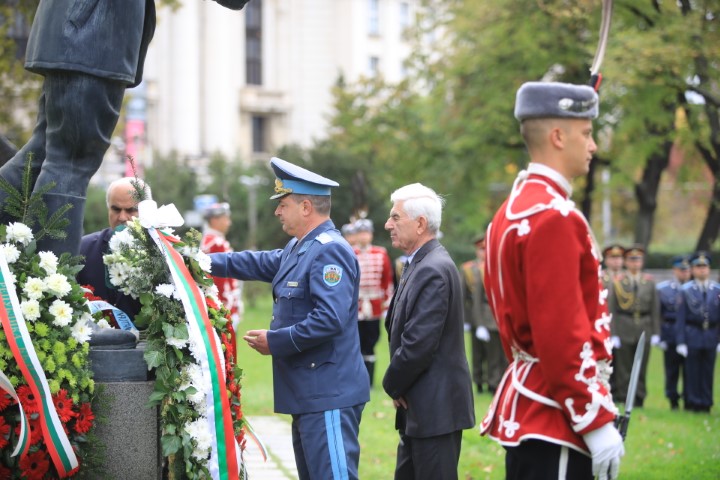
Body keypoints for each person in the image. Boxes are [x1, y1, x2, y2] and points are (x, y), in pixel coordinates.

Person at [0, 0, 249, 256]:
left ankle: (47, 282)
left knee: (43, 155)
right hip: (91, 35)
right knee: (70, 162)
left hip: (75, 33)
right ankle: (51, 285)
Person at [480, 82, 624, 480]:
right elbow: (560, 334)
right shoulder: (555, 216)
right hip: (557, 414)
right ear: (558, 137)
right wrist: (594, 421)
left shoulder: (507, 213)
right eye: (587, 133)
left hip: (532, 399)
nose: (593, 145)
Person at [209, 157, 369, 480]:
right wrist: (199, 261)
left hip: (328, 395)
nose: (277, 212)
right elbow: (254, 263)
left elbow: (330, 318)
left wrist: (275, 342)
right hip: (309, 395)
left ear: (306, 206)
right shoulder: (300, 247)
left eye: (283, 204)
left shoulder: (329, 250)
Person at [382, 182, 475, 480]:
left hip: (436, 410)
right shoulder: (419, 263)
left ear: (420, 224)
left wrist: (393, 384)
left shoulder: (432, 268)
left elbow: (418, 344)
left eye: (396, 218)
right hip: (422, 405)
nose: (388, 225)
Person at [77, 177, 151, 323]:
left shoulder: (163, 252)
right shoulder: (83, 249)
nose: (122, 217)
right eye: (116, 209)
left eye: (131, 210)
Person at [608, 245, 660, 408]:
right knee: (624, 368)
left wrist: (656, 332)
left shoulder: (649, 282)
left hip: (643, 326)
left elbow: (655, 310)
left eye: (638, 260)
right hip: (624, 326)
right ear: (626, 262)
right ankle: (624, 397)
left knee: (642, 366)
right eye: (631, 259)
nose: (635, 263)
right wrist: (613, 333)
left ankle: (640, 397)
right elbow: (612, 309)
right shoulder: (618, 282)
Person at [460, 234, 507, 394]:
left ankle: (498, 381)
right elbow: (467, 296)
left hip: (498, 316)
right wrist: (467, 319)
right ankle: (481, 380)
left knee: (499, 354)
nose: (484, 253)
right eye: (482, 250)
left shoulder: (501, 267)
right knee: (479, 353)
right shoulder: (471, 269)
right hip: (480, 315)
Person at [676, 252, 720, 413]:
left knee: (708, 371)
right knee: (692, 371)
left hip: (711, 335)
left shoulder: (717, 289)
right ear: (693, 270)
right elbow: (680, 318)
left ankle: (706, 402)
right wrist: (680, 341)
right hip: (692, 333)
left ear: (709, 269)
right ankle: (693, 402)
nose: (702, 270)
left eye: (705, 267)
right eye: (698, 267)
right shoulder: (686, 290)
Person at [353, 218, 393, 387]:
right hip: (356, 305)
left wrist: (386, 303)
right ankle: (357, 378)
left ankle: (369, 379)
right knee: (356, 341)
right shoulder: (350, 252)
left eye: (366, 233)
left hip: (374, 304)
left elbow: (387, 280)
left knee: (372, 340)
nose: (363, 236)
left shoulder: (380, 253)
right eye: (360, 233)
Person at [200, 202, 244, 330]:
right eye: (226, 219)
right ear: (214, 220)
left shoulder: (210, 241)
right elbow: (220, 281)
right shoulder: (216, 243)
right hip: (224, 308)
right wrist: (228, 308)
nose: (229, 223)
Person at [656, 255, 691, 409]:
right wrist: (660, 336)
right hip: (670, 333)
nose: (684, 273)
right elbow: (658, 314)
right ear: (674, 270)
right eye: (681, 270)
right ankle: (672, 399)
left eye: (686, 270)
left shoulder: (693, 288)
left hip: (689, 334)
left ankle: (689, 397)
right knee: (672, 370)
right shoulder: (663, 289)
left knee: (690, 370)